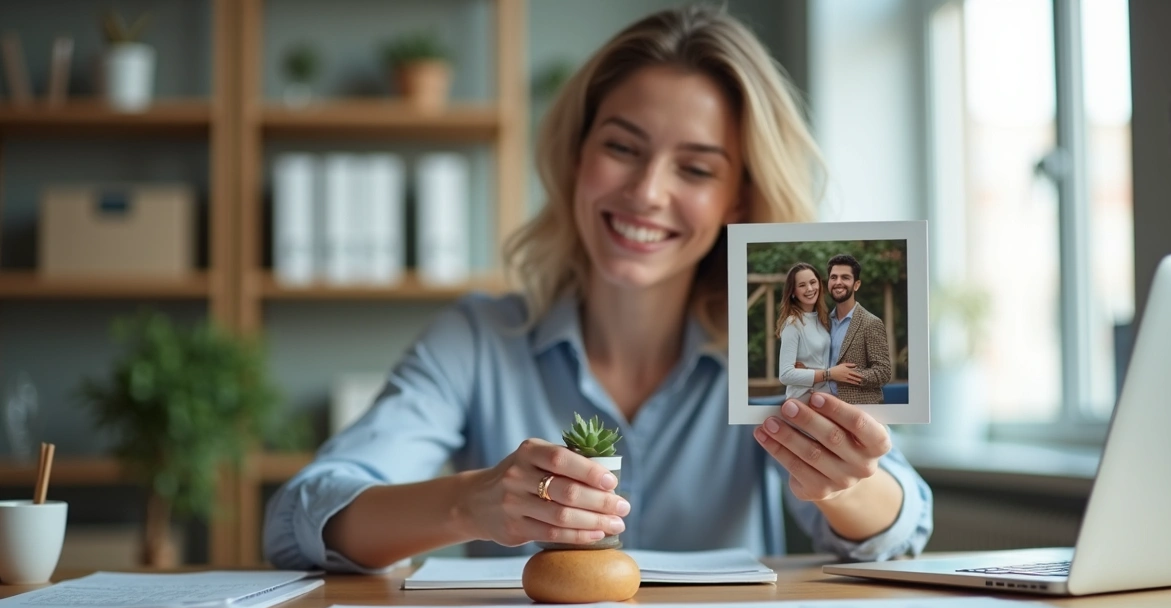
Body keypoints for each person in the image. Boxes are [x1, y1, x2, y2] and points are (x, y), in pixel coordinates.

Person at [263, 5, 931, 573]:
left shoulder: (778, 348)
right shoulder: (476, 340)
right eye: (622, 147)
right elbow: (302, 515)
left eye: (695, 168)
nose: (645, 193)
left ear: (737, 201)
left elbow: (903, 524)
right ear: (578, 154)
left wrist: (847, 484)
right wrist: (471, 502)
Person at [774, 262, 856, 400]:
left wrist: (810, 371)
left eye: (813, 282)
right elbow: (785, 375)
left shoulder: (822, 320)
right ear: (793, 292)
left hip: (825, 397)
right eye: (802, 285)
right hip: (804, 400)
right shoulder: (793, 324)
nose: (810, 288)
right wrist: (828, 374)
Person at [825, 254, 893, 405]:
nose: (838, 282)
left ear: (856, 284)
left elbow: (883, 372)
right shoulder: (822, 323)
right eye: (833, 277)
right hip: (824, 406)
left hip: (860, 409)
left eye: (845, 277)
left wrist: (847, 375)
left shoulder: (871, 323)